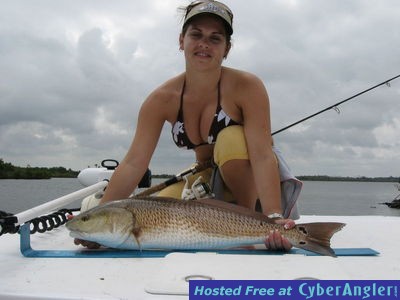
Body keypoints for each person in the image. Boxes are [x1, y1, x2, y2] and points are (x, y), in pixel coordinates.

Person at [75, 0, 299, 251]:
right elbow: (133, 163)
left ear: (227, 49)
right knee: (152, 215)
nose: (204, 43)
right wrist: (102, 216)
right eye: (196, 34)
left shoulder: (247, 87)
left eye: (215, 38)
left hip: (254, 184)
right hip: (205, 175)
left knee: (231, 139)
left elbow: (261, 155)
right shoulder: (161, 99)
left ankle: (249, 227)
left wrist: (275, 216)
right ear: (181, 40)